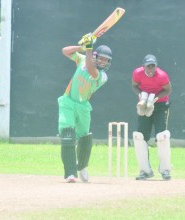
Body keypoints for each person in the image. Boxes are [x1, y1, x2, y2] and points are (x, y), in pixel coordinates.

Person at [58, 33, 112, 183]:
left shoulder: (102, 76)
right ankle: (70, 173)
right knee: (67, 134)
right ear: (95, 56)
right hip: (68, 102)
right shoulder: (82, 59)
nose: (103, 62)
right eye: (101, 58)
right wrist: (81, 47)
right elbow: (65, 51)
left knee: (84, 138)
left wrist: (88, 48)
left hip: (83, 107)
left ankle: (82, 166)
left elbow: (90, 70)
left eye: (106, 60)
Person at [132, 54, 172, 181]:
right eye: (148, 66)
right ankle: (145, 171)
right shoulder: (138, 73)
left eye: (152, 66)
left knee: (162, 136)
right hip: (144, 103)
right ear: (143, 66)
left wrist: (154, 98)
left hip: (160, 105)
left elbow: (168, 90)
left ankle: (165, 170)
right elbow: (134, 85)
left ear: (156, 66)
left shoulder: (162, 75)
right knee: (139, 137)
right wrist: (142, 97)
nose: (150, 69)